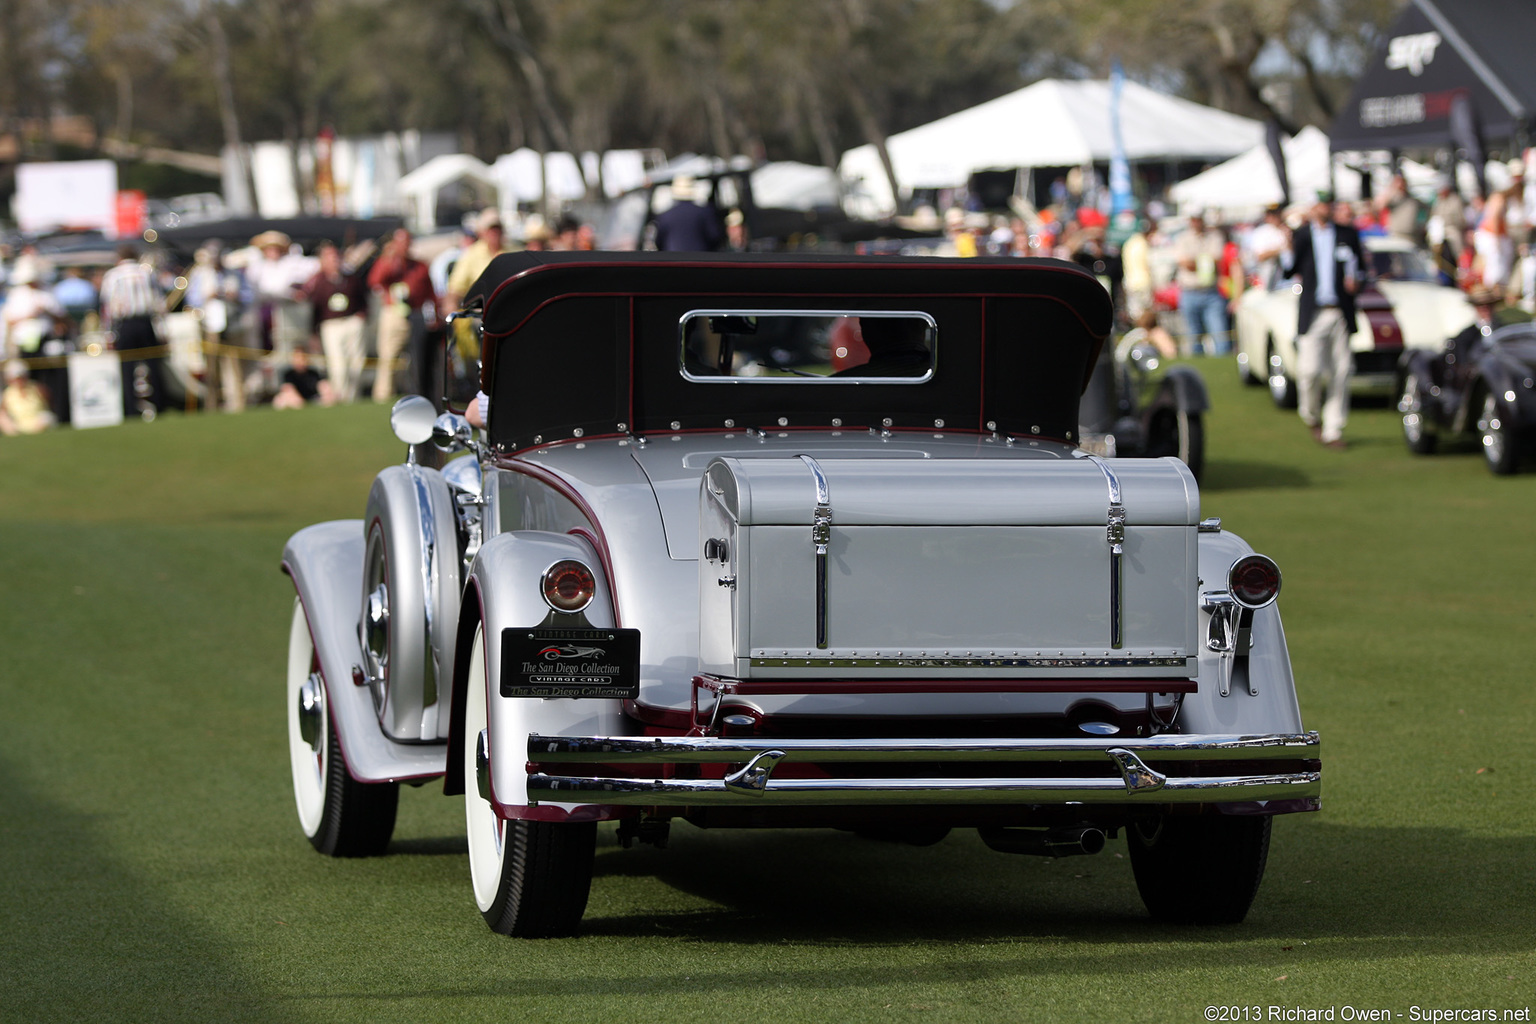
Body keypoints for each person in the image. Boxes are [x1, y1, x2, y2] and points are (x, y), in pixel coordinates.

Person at [1284, 191, 1365, 450]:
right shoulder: (1304, 235)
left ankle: (1333, 428)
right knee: (1309, 371)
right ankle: (1311, 415)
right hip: (1314, 311)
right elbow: (1290, 268)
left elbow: (1359, 265)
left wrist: (1357, 280)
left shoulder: (1346, 234)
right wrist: (1286, 246)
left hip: (1339, 310)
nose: (1324, 209)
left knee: (1341, 371)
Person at [366, 228, 435, 402]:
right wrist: (391, 259)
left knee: (415, 357)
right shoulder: (389, 262)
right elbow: (375, 280)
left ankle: (414, 390)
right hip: (394, 313)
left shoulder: (419, 266)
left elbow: (429, 291)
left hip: (415, 313)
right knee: (388, 355)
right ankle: (383, 394)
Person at [99, 245, 166, 418]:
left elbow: (108, 308)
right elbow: (159, 303)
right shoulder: (146, 273)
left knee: (126, 369)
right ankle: (159, 405)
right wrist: (162, 330)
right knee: (153, 366)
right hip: (145, 322)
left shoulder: (113, 275)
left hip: (125, 324)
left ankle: (130, 409)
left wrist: (108, 333)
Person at [297, 241, 368, 403]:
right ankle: (340, 397)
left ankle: (353, 397)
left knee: (356, 363)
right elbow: (312, 305)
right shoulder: (317, 281)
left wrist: (361, 315)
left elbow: (363, 298)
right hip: (331, 325)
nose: (334, 260)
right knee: (338, 365)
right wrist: (313, 332)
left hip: (351, 322)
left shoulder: (350, 278)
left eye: (335, 256)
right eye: (329, 257)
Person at [1173, 211, 1228, 355]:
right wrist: (1205, 261)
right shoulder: (1182, 238)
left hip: (1211, 292)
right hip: (1189, 292)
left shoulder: (1214, 236)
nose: (1196, 223)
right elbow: (1185, 263)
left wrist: (1196, 262)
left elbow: (1217, 260)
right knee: (1194, 336)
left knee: (1220, 333)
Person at [653, 175, 723, 252]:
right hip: (700, 260)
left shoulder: (665, 215)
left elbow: (659, 242)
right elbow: (715, 237)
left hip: (673, 261)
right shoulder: (705, 212)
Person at [0, 359, 55, 435]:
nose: (19, 381)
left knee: (46, 418)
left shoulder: (36, 387)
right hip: (18, 425)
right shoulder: (8, 393)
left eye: (21, 378)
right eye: (16, 379)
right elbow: (3, 411)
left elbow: (49, 403)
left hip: (37, 423)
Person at [1246, 204, 1289, 290]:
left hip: (1286, 281)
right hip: (1267, 278)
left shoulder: (1286, 229)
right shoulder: (1261, 232)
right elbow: (1260, 256)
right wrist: (1279, 250)